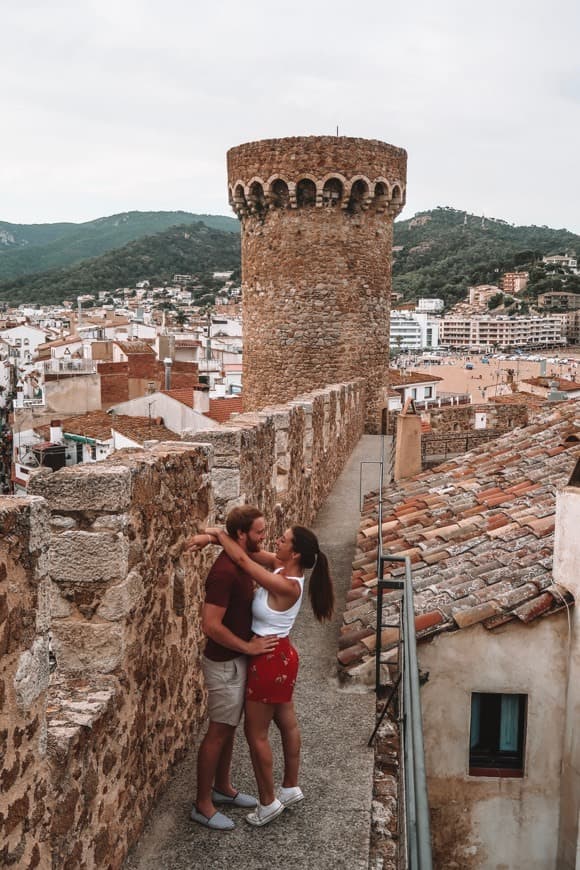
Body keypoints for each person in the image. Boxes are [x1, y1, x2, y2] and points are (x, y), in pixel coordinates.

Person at [197, 522, 334, 827]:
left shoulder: (287, 584)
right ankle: (290, 787)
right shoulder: (281, 567)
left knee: (255, 733)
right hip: (283, 655)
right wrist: (213, 536)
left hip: (269, 659)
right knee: (287, 721)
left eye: (283, 540)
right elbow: (251, 552)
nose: (276, 541)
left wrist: (220, 536)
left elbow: (244, 561)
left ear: (295, 553)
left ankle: (268, 802)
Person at [188, 506, 279, 832]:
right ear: (242, 534)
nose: (264, 536)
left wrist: (211, 535)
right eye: (258, 531)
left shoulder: (244, 559)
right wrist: (249, 648)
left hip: (236, 660)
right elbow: (210, 626)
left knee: (229, 726)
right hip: (224, 662)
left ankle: (222, 787)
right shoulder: (225, 572)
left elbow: (266, 557)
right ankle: (202, 804)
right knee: (218, 731)